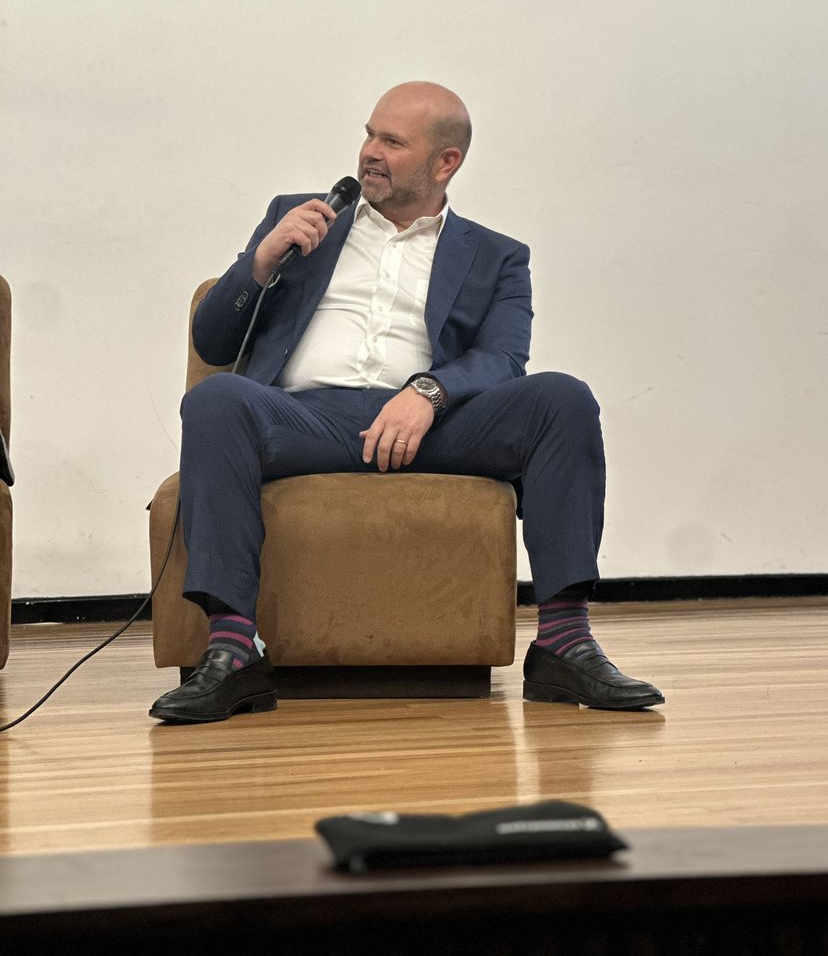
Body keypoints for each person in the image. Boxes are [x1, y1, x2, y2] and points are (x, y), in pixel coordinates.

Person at [149, 81, 664, 723]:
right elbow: (214, 341)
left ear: (445, 162)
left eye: (392, 142)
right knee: (218, 399)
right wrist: (258, 264)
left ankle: (564, 642)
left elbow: (505, 358)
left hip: (432, 426)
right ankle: (232, 654)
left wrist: (428, 391)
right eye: (369, 134)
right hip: (306, 419)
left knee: (562, 398)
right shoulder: (303, 216)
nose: (370, 152)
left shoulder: (497, 256)